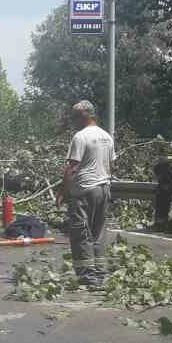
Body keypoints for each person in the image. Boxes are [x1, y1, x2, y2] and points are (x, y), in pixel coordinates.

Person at [61, 100, 114, 286]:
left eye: (74, 117)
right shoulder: (107, 136)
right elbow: (111, 164)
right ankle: (100, 273)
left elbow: (71, 168)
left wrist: (63, 192)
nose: (73, 121)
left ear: (84, 115)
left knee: (81, 233)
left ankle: (87, 275)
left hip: (84, 190)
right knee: (98, 232)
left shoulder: (80, 137)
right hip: (103, 188)